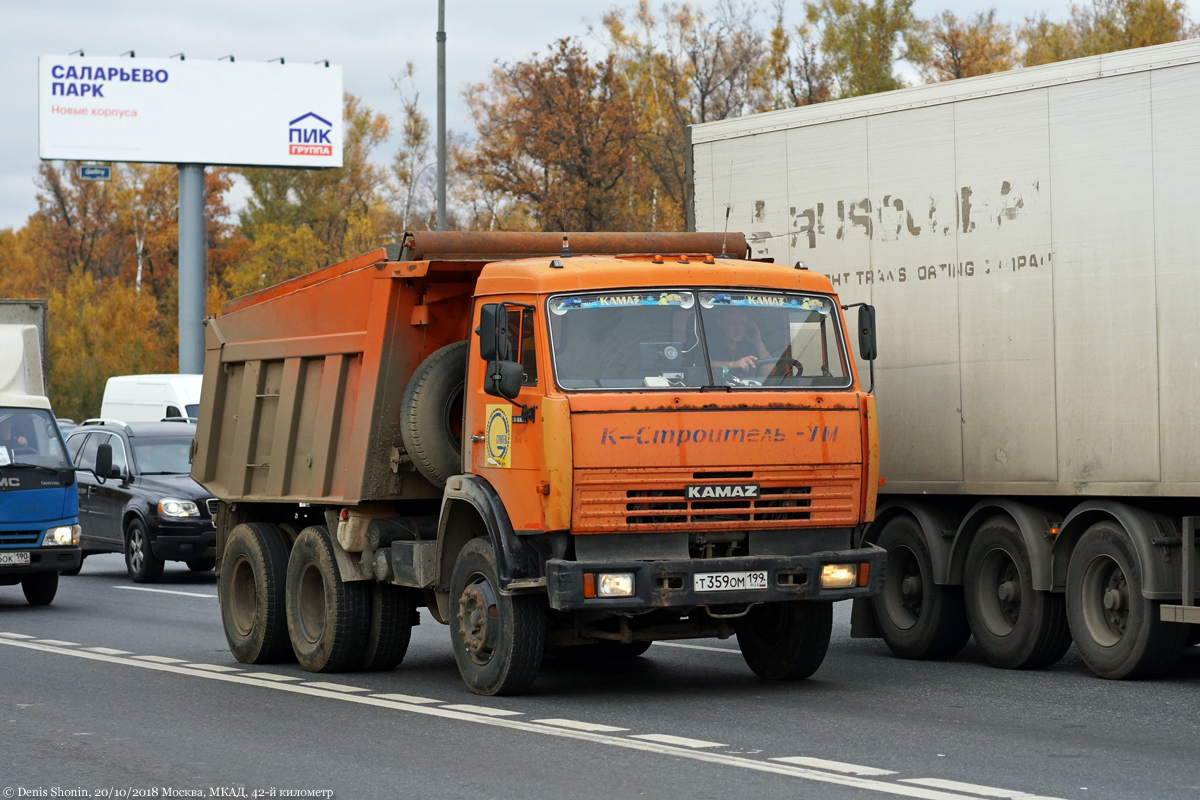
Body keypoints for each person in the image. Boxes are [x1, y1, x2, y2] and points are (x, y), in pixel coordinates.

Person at [708, 307, 771, 379]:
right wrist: (734, 364)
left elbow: (770, 373)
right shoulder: (711, 346)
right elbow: (706, 366)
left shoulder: (749, 349)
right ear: (720, 323)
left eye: (742, 323)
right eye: (733, 323)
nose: (738, 329)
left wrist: (758, 343)